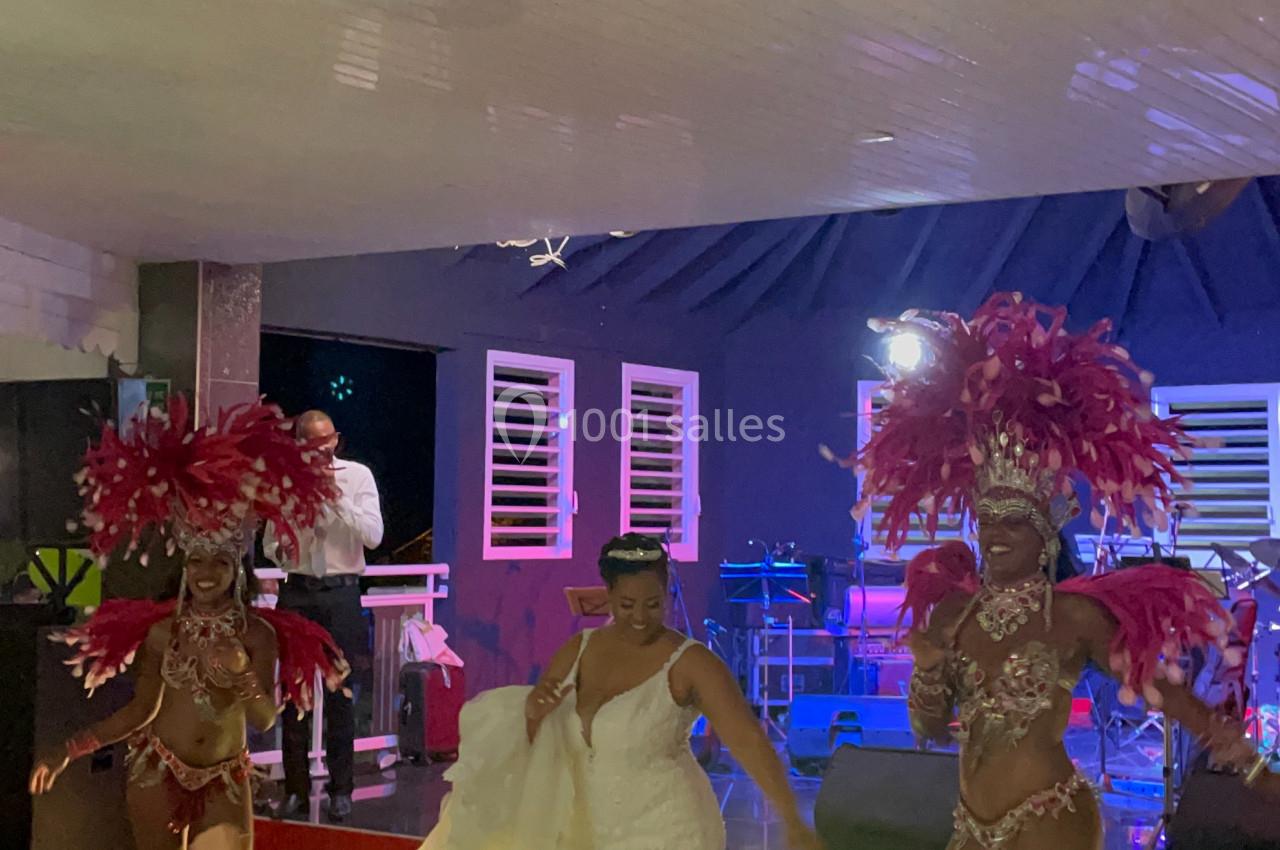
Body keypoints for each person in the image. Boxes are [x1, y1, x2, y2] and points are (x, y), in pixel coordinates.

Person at [845, 292, 1279, 849]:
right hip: (969, 826)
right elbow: (928, 730)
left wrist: (1249, 766)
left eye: (1014, 523)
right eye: (988, 521)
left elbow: (1162, 693)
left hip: (1050, 821)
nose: (995, 535)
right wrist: (928, 669)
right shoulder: (955, 613)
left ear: (1046, 535)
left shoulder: (1073, 616)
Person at [28, 395, 349, 850]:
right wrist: (70, 749)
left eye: (218, 561)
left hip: (226, 779)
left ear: (236, 568)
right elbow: (141, 710)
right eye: (196, 561)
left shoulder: (257, 634)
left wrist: (242, 675)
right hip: (156, 770)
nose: (205, 573)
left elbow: (263, 720)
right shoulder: (165, 632)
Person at [420, 532, 822, 850]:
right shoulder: (578, 650)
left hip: (668, 830)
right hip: (588, 831)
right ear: (608, 595)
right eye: (628, 605)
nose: (641, 618)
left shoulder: (691, 662)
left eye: (654, 604)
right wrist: (533, 711)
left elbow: (748, 740)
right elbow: (537, 736)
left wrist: (791, 819)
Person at [263, 409, 383, 822]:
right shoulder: (284, 483)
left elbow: (374, 535)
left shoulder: (357, 477)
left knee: (341, 697)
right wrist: (283, 545)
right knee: (295, 696)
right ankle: (295, 789)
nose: (317, 450)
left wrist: (334, 499)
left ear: (336, 440)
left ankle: (341, 790)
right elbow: (269, 546)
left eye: (324, 441)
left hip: (341, 595)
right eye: (308, 443)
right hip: (297, 592)